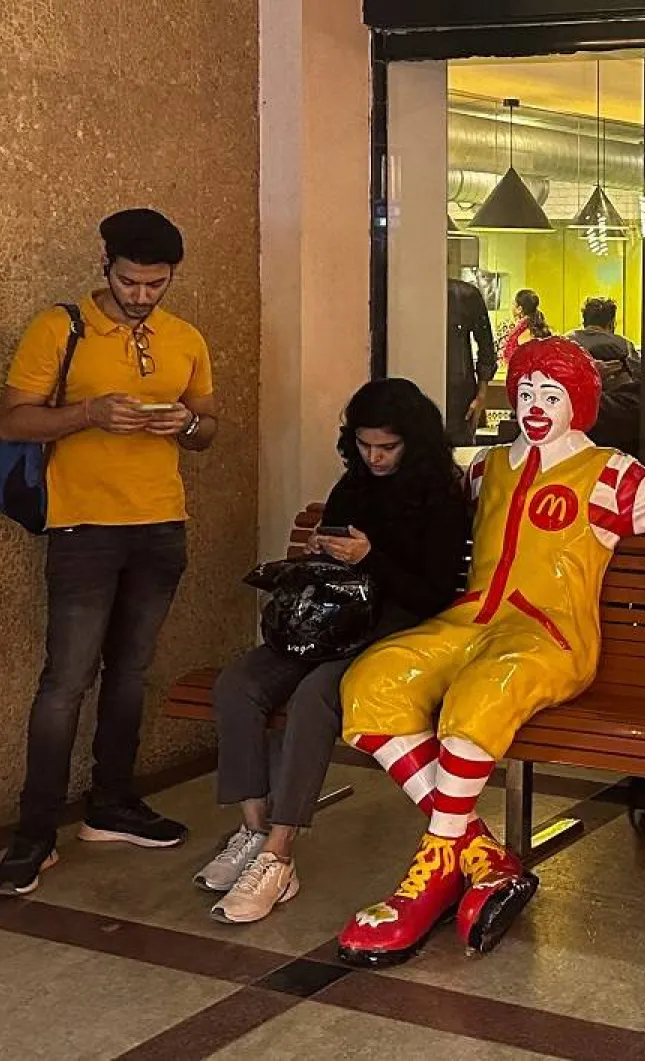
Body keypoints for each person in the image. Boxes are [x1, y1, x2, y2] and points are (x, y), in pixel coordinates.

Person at [335, 335, 645, 968]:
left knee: (476, 698)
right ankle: (481, 856)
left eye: (550, 395)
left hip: (547, 639)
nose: (534, 407)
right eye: (525, 393)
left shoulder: (607, 472)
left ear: (578, 403)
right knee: (371, 681)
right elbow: (419, 499)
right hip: (469, 623)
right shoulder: (488, 467)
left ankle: (436, 866)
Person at [0, 208, 218, 897]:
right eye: (130, 280)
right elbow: (11, 418)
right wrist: (89, 413)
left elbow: (209, 428)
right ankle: (35, 832)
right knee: (66, 680)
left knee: (132, 670)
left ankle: (111, 804)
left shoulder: (185, 338)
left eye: (157, 283)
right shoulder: (59, 328)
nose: (143, 294)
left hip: (161, 524)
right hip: (83, 526)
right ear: (105, 265)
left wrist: (188, 424)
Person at [198, 379, 471, 924]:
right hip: (334, 619)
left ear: (412, 441)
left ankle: (279, 854)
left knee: (316, 696)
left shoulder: (441, 493)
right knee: (238, 686)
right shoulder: (354, 485)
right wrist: (323, 552)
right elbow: (328, 570)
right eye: (366, 445)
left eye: (387, 447)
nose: (375, 456)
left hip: (399, 626)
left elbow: (434, 592)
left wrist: (370, 557)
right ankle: (252, 831)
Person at [446, 276, 498, 445]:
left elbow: (486, 345)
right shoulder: (408, 289)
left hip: (459, 392)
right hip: (454, 386)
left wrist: (481, 393)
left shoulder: (466, 295)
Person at [568, 296, 642, 382]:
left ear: (584, 322)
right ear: (611, 324)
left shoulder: (567, 341)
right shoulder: (624, 344)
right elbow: (639, 374)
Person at [500, 289, 549, 363]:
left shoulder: (524, 333)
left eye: (513, 304)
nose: (511, 307)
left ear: (519, 309)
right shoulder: (538, 327)